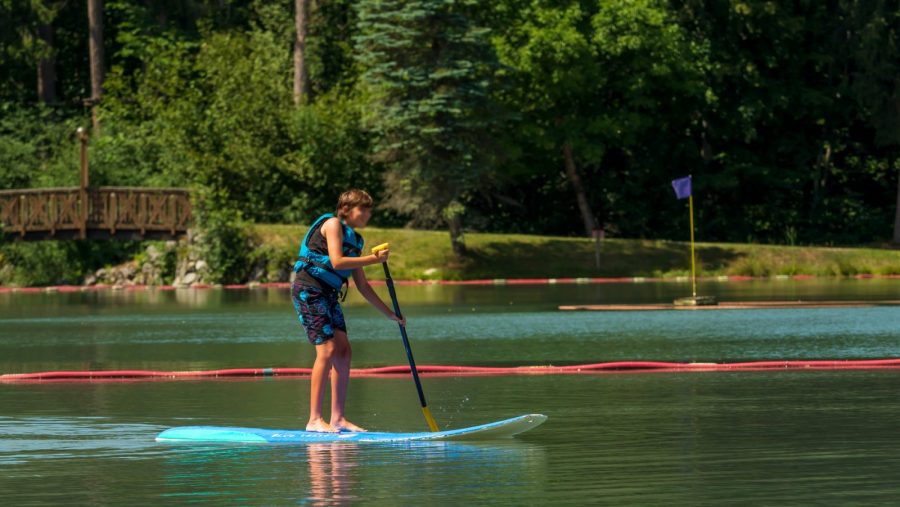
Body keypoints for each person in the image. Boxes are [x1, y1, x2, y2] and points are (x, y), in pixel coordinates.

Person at [291, 189, 404, 433]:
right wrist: (373, 260)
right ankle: (314, 420)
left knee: (344, 351)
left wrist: (390, 314)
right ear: (346, 210)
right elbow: (337, 262)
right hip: (309, 290)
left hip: (328, 295)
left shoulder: (356, 240)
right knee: (328, 349)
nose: (367, 214)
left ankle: (338, 419)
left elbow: (362, 286)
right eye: (362, 209)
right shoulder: (332, 224)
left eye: (369, 209)